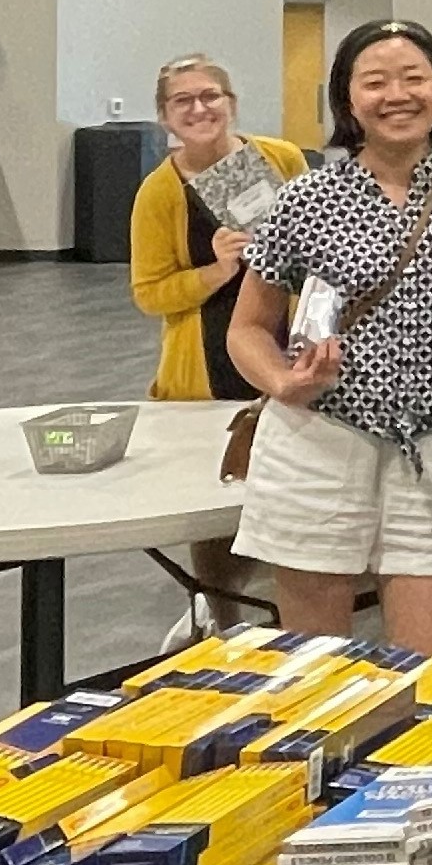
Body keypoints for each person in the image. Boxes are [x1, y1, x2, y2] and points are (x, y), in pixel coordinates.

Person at [228, 21, 432, 655]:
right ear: (347, 101)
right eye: (375, 82)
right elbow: (248, 329)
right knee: (315, 666)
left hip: (430, 445)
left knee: (425, 664)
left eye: (414, 77)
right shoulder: (306, 198)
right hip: (318, 438)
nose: (397, 94)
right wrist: (285, 382)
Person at [128, 54, 308, 632]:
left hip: (286, 346)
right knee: (215, 504)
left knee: (291, 483)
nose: (200, 109)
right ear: (165, 118)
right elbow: (149, 292)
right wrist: (216, 270)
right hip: (206, 367)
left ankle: (292, 611)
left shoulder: (280, 158)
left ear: (231, 102)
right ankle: (220, 617)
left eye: (210, 96)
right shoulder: (159, 193)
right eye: (184, 101)